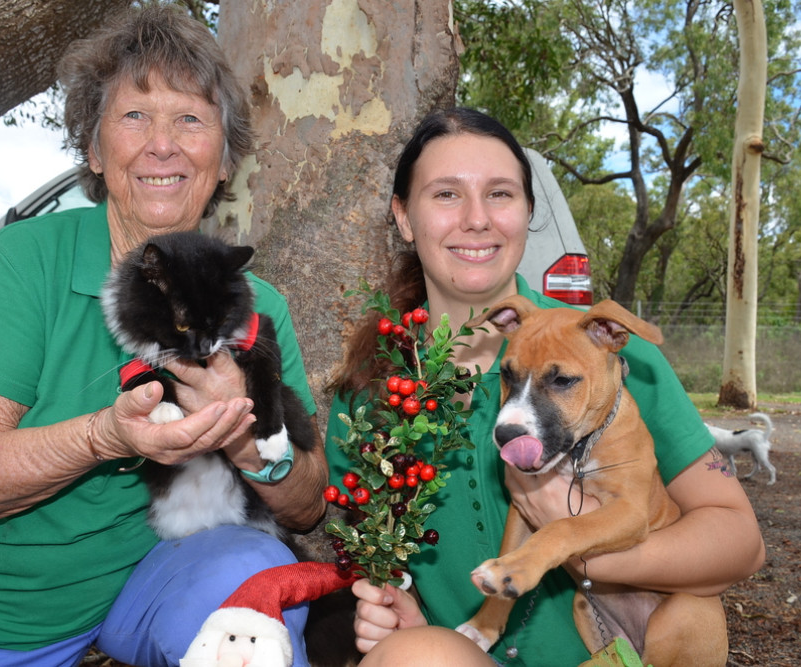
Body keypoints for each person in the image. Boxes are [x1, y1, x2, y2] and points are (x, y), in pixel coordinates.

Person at [0, 6, 327, 667]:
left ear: (226, 157)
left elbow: (305, 503)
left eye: (190, 118)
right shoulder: (27, 260)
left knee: (251, 592)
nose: (163, 143)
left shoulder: (255, 303)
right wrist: (106, 435)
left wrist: (244, 436)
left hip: (155, 578)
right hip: (3, 610)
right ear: (94, 150)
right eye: (134, 116)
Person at [325, 107, 766, 666]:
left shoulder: (609, 359)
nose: (477, 218)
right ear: (404, 217)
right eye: (445, 194)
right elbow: (377, 555)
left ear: (529, 211)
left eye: (501, 194)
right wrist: (400, 609)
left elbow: (741, 546)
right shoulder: (373, 394)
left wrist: (576, 550)